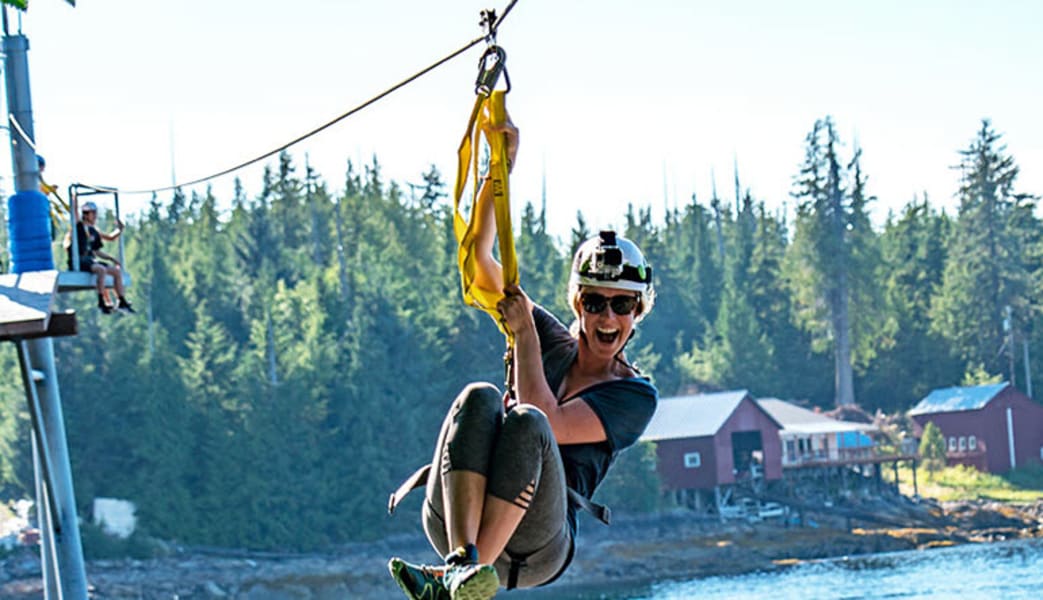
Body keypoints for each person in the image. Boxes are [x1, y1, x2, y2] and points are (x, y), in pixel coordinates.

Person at [388, 116, 659, 600]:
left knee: (531, 423)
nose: (607, 318)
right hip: (457, 522)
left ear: (637, 313)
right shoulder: (552, 340)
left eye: (621, 305)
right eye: (595, 302)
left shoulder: (634, 397)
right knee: (479, 397)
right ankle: (459, 567)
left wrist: (525, 340)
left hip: (538, 547)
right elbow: (481, 262)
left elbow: (549, 423)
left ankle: (463, 575)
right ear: (578, 304)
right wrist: (500, 171)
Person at [65, 200, 134, 314]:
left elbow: (104, 242)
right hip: (80, 260)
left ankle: (121, 300)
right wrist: (74, 198)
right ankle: (101, 301)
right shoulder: (79, 226)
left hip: (90, 260)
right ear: (86, 214)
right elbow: (74, 213)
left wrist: (119, 231)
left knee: (116, 272)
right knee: (101, 270)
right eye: (93, 213)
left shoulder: (94, 231)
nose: (95, 216)